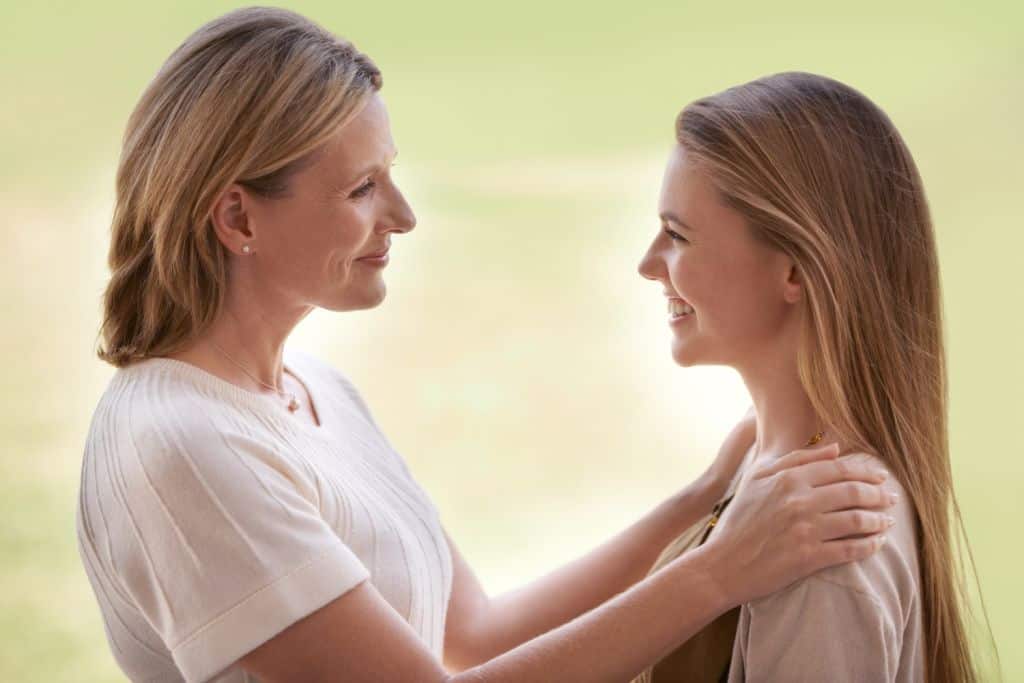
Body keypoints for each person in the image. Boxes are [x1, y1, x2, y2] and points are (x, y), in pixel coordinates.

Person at [75, 10, 896, 682]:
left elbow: (475, 632)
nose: (402, 213)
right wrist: (720, 570)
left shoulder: (313, 394)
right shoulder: (180, 446)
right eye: (362, 188)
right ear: (238, 218)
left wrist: (704, 499)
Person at [634, 72, 981, 683]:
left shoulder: (820, 548)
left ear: (794, 270)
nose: (648, 264)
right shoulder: (772, 491)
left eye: (678, 234)